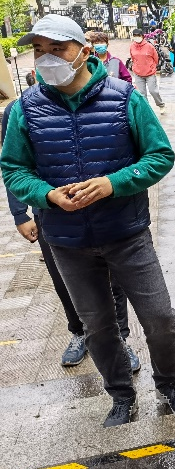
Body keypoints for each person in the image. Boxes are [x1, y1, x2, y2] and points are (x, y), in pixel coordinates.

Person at [0, 14, 175, 427]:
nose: (46, 58)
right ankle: (121, 396)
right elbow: (14, 169)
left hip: (127, 234)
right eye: (39, 50)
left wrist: (113, 183)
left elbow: (160, 155)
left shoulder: (124, 98)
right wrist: (46, 195)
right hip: (67, 241)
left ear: (85, 52)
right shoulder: (25, 109)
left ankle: (169, 384)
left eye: (57, 49)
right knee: (98, 327)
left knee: (159, 317)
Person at [3, 101, 137, 369]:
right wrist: (20, 213)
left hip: (103, 212)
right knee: (64, 281)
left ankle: (120, 338)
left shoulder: (104, 100)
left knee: (113, 280)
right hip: (52, 216)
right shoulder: (20, 109)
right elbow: (14, 166)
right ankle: (79, 332)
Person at [129, 28, 165, 113]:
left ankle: (161, 105)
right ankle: (147, 110)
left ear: (142, 36)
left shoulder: (149, 46)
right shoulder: (132, 46)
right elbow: (133, 58)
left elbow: (156, 58)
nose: (136, 37)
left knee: (153, 91)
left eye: (138, 35)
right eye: (135, 36)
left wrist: (152, 67)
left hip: (150, 73)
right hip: (138, 73)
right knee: (142, 94)